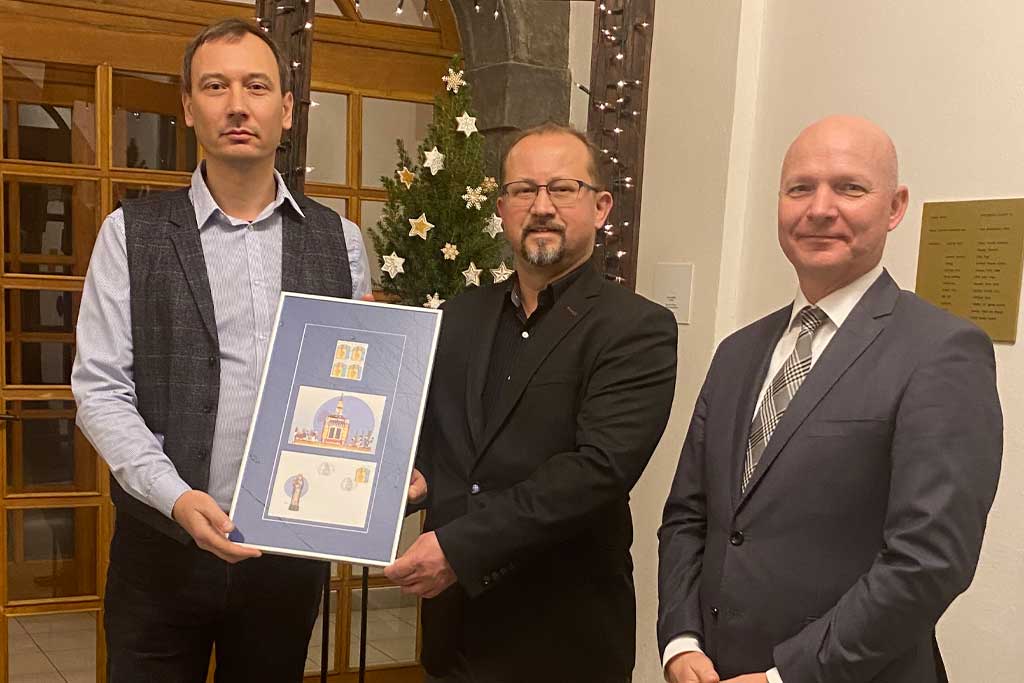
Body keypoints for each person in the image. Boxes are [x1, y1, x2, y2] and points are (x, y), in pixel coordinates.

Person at [71, 18, 371, 682]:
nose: (237, 105)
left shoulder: (341, 241)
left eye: (256, 86)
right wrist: (177, 498)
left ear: (286, 110)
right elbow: (100, 389)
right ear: (188, 106)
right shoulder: (130, 233)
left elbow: (351, 389)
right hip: (160, 554)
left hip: (286, 558)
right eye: (215, 86)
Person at [657, 115, 1002, 683]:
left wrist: (784, 677)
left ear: (895, 207)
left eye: (849, 187)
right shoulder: (737, 352)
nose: (819, 208)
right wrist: (680, 640)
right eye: (800, 188)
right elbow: (688, 517)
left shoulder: (942, 352)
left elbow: (928, 561)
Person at [383, 122, 678, 682]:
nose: (541, 206)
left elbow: (596, 471)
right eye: (523, 190)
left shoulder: (636, 328)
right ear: (502, 209)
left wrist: (459, 549)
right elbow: (439, 440)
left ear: (601, 207)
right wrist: (417, 478)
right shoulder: (459, 316)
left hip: (562, 640)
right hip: (454, 636)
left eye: (563, 188)